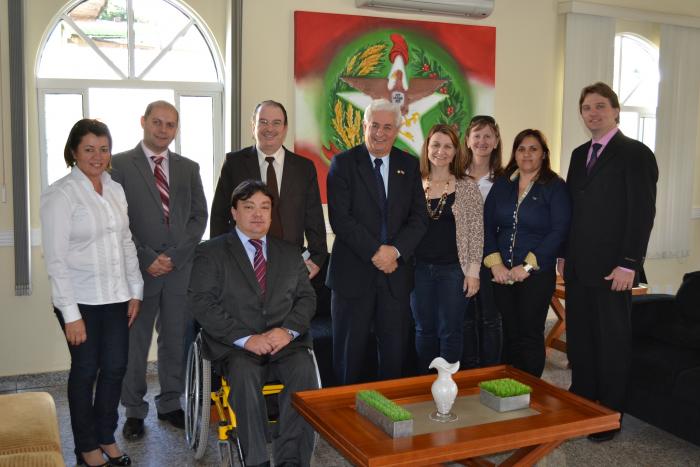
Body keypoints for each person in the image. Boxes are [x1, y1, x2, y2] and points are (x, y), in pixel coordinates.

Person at [189, 180, 318, 467]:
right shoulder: (210, 252)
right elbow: (202, 304)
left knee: (305, 374)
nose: (257, 214)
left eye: (264, 207)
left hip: (284, 341)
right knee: (244, 377)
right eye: (249, 207)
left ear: (272, 213)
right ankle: (257, 460)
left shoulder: (289, 252)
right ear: (234, 212)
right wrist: (246, 339)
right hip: (236, 346)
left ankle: (291, 461)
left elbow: (307, 298)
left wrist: (287, 331)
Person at [41, 119, 143, 467]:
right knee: (86, 370)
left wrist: (136, 290)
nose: (97, 156)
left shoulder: (114, 189)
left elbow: (126, 242)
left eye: (103, 149)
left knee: (115, 368)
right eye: (89, 149)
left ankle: (105, 437)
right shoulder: (61, 194)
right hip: (80, 299)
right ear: (74, 152)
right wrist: (70, 314)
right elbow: (54, 258)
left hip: (116, 296)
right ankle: (86, 448)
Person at [562, 82, 658, 442]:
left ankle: (609, 415)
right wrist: (562, 254)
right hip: (578, 266)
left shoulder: (635, 154)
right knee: (582, 340)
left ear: (615, 111)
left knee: (612, 342)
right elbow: (572, 209)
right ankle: (583, 403)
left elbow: (642, 213)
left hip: (615, 269)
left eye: (600, 106)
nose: (593, 113)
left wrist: (629, 263)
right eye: (587, 108)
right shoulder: (577, 154)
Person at [111, 101, 208, 439]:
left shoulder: (188, 167)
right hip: (140, 271)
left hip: (180, 271)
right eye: (157, 122)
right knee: (134, 344)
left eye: (170, 124)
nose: (163, 129)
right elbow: (117, 220)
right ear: (143, 122)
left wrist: (177, 256)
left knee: (174, 341)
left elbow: (199, 217)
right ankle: (134, 411)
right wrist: (146, 256)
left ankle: (170, 403)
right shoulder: (119, 165)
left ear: (176, 129)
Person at [326, 98, 428, 385]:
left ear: (397, 130)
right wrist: (376, 252)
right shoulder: (343, 164)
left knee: (393, 357)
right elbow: (341, 220)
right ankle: (344, 420)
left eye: (387, 127)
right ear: (364, 126)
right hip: (352, 276)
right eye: (374, 126)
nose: (380, 133)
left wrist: (394, 252)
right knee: (349, 356)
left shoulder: (408, 165)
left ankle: (389, 416)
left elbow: (419, 219)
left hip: (394, 277)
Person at [483, 129, 571, 378]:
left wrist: (527, 267)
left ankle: (532, 392)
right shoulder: (503, 184)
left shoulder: (555, 186)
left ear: (544, 154)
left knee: (530, 334)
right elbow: (486, 225)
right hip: (501, 275)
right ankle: (507, 389)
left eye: (533, 149)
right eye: (521, 148)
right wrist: (495, 264)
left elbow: (559, 231)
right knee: (508, 333)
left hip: (536, 275)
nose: (527, 154)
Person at [210, 100, 327, 277]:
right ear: (253, 126)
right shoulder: (234, 163)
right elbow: (219, 215)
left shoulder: (304, 168)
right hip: (243, 264)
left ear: (285, 128)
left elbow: (314, 218)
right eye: (263, 122)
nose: (269, 128)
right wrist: (219, 257)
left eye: (276, 123)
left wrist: (317, 259)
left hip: (290, 263)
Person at [410, 124, 483, 373]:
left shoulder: (467, 186)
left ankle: (448, 386)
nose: (441, 151)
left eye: (447, 146)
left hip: (454, 270)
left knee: (450, 330)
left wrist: (473, 273)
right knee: (423, 330)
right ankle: (425, 384)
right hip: (418, 270)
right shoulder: (413, 184)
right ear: (427, 148)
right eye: (436, 145)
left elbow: (476, 233)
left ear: (455, 151)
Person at [462, 115, 504, 368]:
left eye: (488, 135)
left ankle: (491, 371)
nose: (482, 141)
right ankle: (468, 372)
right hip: (462, 259)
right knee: (465, 318)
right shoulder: (456, 177)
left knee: (491, 318)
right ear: (467, 141)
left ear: (496, 140)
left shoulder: (505, 180)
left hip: (492, 259)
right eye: (477, 135)